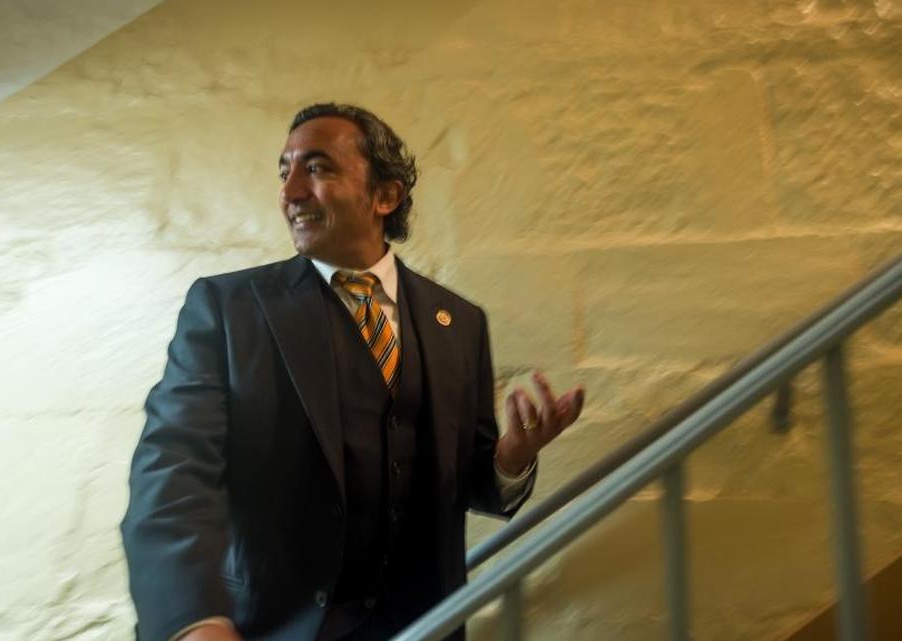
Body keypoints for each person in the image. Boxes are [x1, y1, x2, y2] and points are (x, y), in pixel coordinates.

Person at [120, 103, 585, 641]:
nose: (291, 192)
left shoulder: (458, 322)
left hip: (425, 627)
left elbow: (471, 481)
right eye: (284, 171)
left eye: (316, 169)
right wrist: (192, 622)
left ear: (385, 196)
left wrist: (511, 459)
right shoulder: (227, 310)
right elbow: (171, 476)